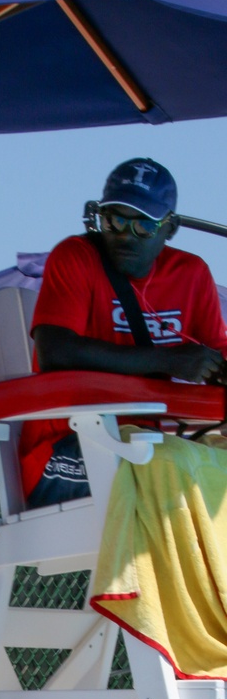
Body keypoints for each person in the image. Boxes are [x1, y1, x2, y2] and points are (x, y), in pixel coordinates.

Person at [20, 158, 227, 508]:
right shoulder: (75, 257)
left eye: (144, 225)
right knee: (169, 471)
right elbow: (57, 352)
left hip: (150, 445)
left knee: (195, 469)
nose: (125, 236)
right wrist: (169, 360)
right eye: (115, 220)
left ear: (170, 227)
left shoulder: (191, 274)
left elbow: (217, 362)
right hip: (64, 449)